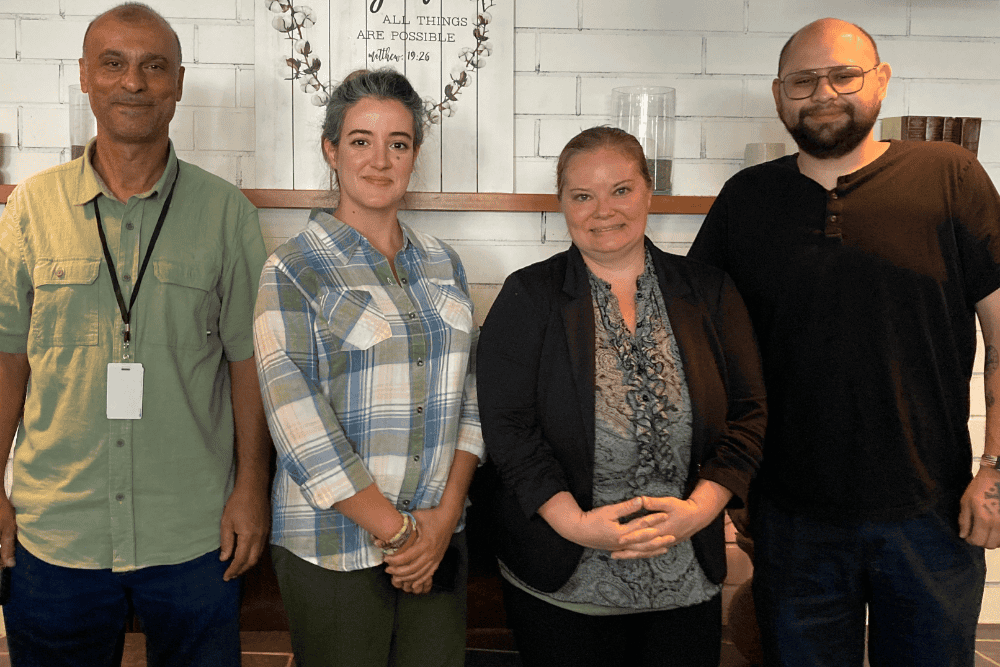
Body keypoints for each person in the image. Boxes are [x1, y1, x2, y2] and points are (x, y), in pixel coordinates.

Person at [689, 17, 1000, 667]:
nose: (823, 92)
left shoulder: (951, 175)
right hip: (791, 521)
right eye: (803, 81)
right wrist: (724, 485)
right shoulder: (746, 200)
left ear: (881, 82)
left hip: (930, 514)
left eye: (844, 74)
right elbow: (701, 351)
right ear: (779, 96)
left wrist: (996, 471)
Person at [0, 3, 271, 666]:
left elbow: (248, 361)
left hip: (195, 530)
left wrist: (251, 487)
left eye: (154, 67)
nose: (135, 83)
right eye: (114, 64)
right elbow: (8, 355)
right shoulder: (32, 207)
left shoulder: (226, 213)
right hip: (56, 530)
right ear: (86, 79)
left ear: (177, 83)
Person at [476, 126, 766, 667]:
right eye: (582, 195)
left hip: (685, 578)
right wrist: (577, 526)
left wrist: (699, 513)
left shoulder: (709, 292)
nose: (602, 210)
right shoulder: (527, 295)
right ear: (562, 203)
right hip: (562, 579)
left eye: (621, 190)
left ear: (648, 191)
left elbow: (749, 416)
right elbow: (509, 431)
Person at [253, 68, 483, 667]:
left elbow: (472, 398)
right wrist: (401, 534)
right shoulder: (293, 269)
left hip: (439, 539)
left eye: (398, 143)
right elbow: (299, 426)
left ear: (415, 154)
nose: (380, 160)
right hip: (334, 547)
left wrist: (443, 520)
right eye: (360, 140)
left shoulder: (444, 263)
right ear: (331, 150)